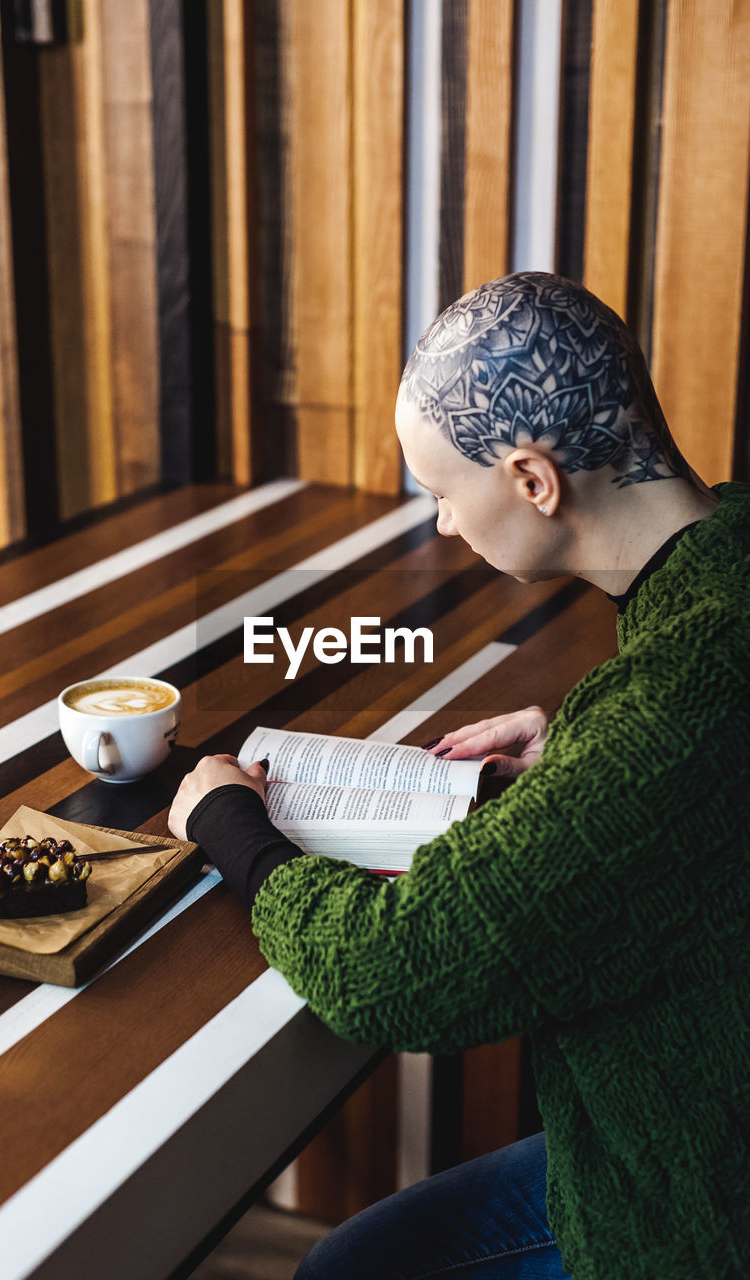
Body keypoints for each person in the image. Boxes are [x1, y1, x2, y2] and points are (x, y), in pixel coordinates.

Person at [168, 272, 750, 1279]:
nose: (440, 526)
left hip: (696, 1205)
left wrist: (232, 824)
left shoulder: (669, 715)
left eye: (443, 493)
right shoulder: (725, 556)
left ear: (533, 479)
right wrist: (574, 743)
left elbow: (391, 973)